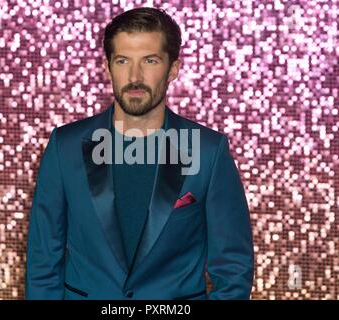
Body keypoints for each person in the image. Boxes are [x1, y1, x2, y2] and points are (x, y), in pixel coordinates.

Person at [25, 7, 254, 300]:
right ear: (107, 67)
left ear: (173, 68)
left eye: (150, 60)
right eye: (123, 60)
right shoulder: (64, 146)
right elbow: (44, 260)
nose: (135, 76)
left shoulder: (208, 151)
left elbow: (233, 270)